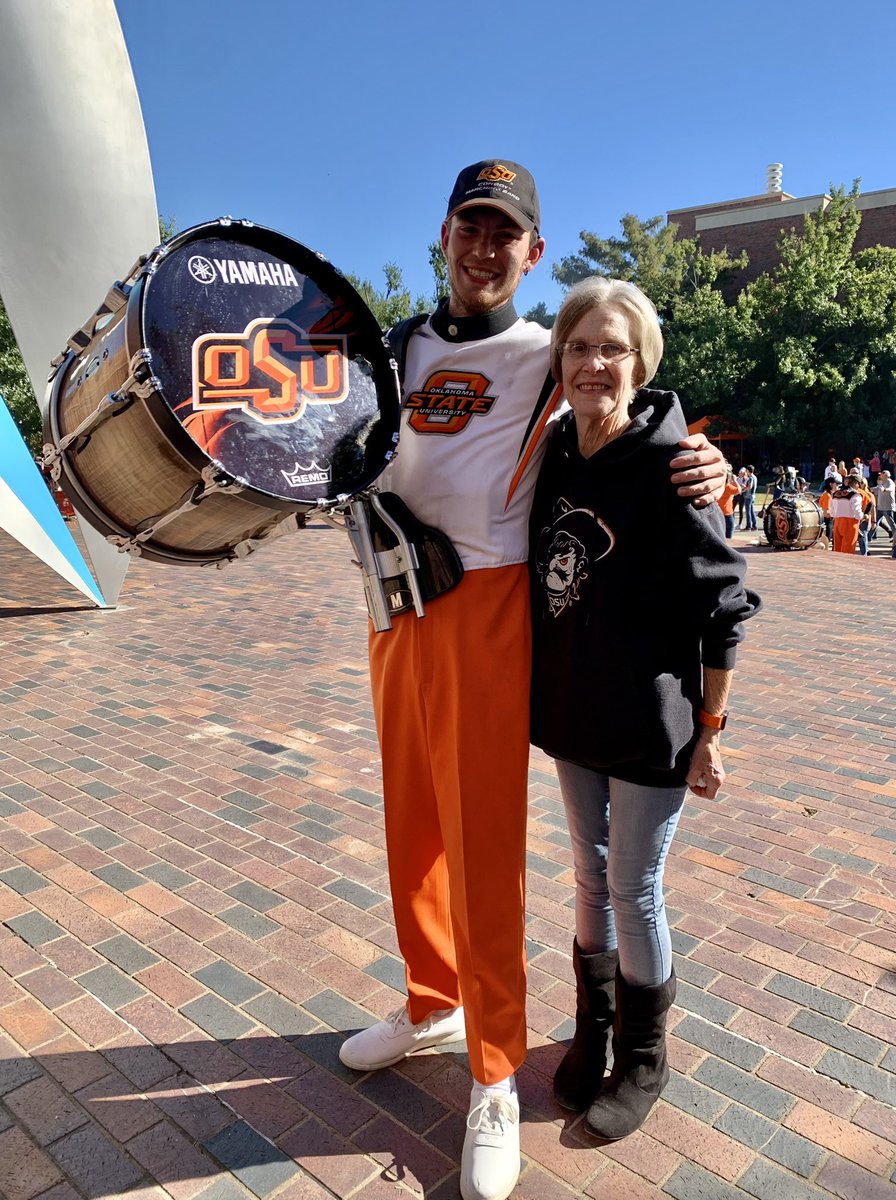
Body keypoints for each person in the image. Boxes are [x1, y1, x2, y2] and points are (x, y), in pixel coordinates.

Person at [336, 161, 726, 1200]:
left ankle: (496, 1071)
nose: (484, 246)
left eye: (505, 233)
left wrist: (701, 457)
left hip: (491, 608)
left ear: (531, 252)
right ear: (448, 235)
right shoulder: (399, 346)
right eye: (471, 226)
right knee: (410, 819)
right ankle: (433, 998)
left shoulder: (544, 355)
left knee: (483, 841)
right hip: (395, 606)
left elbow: (631, 389)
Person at [529, 277, 759, 1143]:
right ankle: (592, 1034)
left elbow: (727, 605)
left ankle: (645, 1057)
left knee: (633, 887)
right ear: (560, 362)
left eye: (612, 348)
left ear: (640, 362)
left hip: (650, 721)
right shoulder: (551, 453)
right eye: (580, 346)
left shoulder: (674, 465)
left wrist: (710, 732)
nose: (594, 363)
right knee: (589, 878)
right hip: (573, 714)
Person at [831, 476, 863, 553]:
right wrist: (863, 516)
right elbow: (857, 513)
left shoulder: (835, 494)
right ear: (855, 483)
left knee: (837, 548)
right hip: (850, 523)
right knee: (848, 549)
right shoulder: (855, 495)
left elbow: (832, 512)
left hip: (837, 522)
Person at [873, 470, 896, 541]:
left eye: (881, 475)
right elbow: (876, 488)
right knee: (874, 522)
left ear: (886, 475)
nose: (880, 476)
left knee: (892, 524)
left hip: (887, 507)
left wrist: (884, 489)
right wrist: (868, 489)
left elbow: (890, 489)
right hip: (880, 507)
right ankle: (868, 537)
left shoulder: (890, 482)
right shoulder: (881, 482)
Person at [717, 467, 741, 537]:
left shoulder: (718, 486)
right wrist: (735, 480)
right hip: (727, 513)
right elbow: (739, 490)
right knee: (728, 534)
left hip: (719, 512)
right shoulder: (728, 487)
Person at [818, 478, 839, 547]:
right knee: (826, 541)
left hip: (829, 521)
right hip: (827, 521)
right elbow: (826, 512)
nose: (837, 486)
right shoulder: (827, 496)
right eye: (836, 484)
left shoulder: (829, 495)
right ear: (831, 484)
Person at [743, 464, 758, 531]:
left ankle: (748, 526)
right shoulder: (755, 477)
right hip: (753, 495)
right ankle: (754, 525)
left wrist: (744, 489)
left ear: (748, 470)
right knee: (752, 511)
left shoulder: (750, 478)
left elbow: (750, 486)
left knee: (748, 511)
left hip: (748, 496)